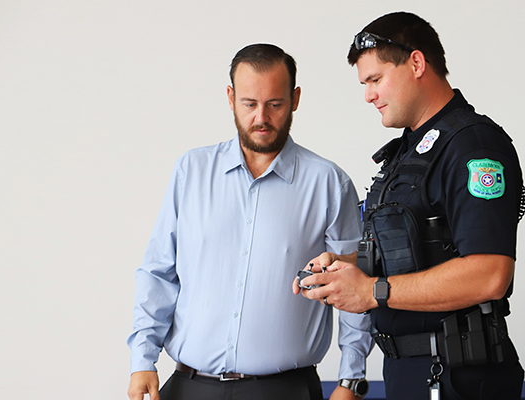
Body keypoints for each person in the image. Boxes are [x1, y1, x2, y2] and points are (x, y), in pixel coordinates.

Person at [294, 12, 525, 400]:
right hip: (411, 374)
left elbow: (490, 273)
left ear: (417, 63)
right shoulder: (409, 153)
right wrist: (343, 267)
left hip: (459, 378)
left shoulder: (473, 147)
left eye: (375, 79)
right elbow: (413, 254)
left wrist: (372, 292)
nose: (368, 94)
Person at [127, 43, 372, 400]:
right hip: (190, 386)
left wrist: (350, 382)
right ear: (230, 98)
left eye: (275, 104)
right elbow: (158, 272)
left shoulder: (330, 183)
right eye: (249, 104)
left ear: (295, 99)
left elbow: (353, 289)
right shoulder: (190, 171)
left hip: (286, 389)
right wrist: (142, 360)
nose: (261, 118)